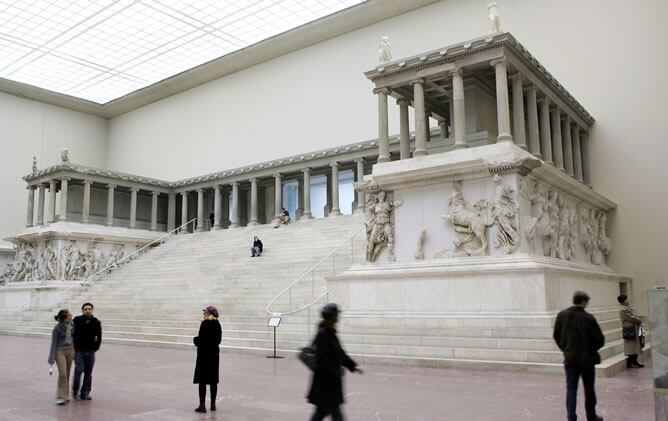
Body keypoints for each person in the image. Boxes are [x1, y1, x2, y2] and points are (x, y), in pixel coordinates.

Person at [553, 291, 605, 421]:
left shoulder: (562, 315)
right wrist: (591, 349)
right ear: (583, 302)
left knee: (571, 389)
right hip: (587, 360)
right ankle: (591, 416)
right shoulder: (588, 318)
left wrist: (565, 349)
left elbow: (556, 335)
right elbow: (599, 339)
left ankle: (571, 417)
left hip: (570, 359)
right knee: (589, 390)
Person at [307, 303, 364, 421]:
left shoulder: (330, 332)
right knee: (333, 412)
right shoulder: (324, 334)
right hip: (326, 384)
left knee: (322, 412)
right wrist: (336, 371)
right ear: (332, 316)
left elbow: (340, 353)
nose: (339, 316)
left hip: (328, 383)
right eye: (337, 314)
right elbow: (322, 359)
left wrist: (353, 366)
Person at [193, 305, 222, 413]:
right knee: (213, 381)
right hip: (214, 356)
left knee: (202, 381)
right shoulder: (217, 324)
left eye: (205, 312)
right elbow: (218, 340)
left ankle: (202, 406)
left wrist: (195, 340)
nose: (203, 313)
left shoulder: (205, 324)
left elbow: (201, 340)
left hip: (204, 357)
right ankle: (213, 405)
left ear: (209, 313)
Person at [72, 302, 102, 400]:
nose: (87, 310)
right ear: (83, 310)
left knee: (88, 373)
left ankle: (85, 393)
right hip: (79, 351)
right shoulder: (77, 320)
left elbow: (99, 336)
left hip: (90, 351)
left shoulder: (96, 322)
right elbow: (71, 332)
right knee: (79, 370)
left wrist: (95, 347)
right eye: (85, 309)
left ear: (92, 310)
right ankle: (75, 391)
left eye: (89, 309)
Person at [48, 309, 75, 405]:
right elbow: (54, 343)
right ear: (65, 318)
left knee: (67, 374)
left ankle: (66, 395)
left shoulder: (72, 325)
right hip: (60, 351)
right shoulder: (57, 328)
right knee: (62, 374)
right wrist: (51, 357)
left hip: (71, 350)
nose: (71, 316)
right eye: (69, 315)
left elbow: (74, 338)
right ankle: (60, 396)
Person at [617, 294, 644, 368]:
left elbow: (633, 316)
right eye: (626, 299)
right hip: (629, 330)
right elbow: (631, 317)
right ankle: (631, 361)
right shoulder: (622, 310)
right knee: (631, 347)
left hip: (633, 328)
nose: (628, 300)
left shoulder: (627, 308)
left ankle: (634, 361)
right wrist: (638, 320)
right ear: (623, 301)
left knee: (634, 346)